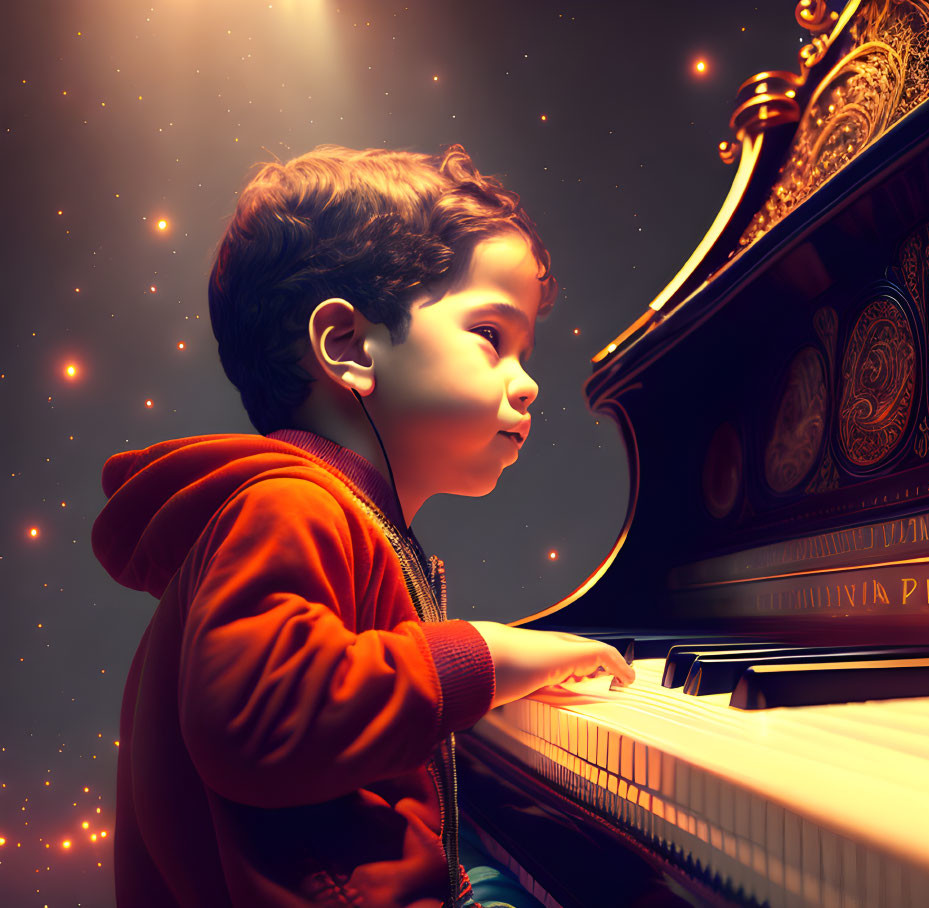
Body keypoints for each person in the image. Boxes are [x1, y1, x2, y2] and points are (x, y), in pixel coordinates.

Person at [91, 144, 635, 908]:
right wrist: (491, 654)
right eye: (491, 336)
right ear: (346, 347)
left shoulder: (339, 515)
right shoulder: (288, 505)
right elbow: (259, 716)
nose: (528, 379)